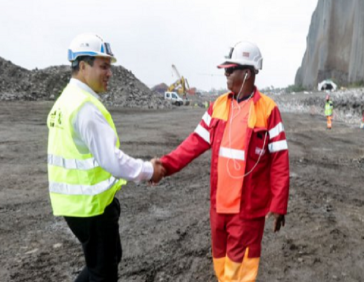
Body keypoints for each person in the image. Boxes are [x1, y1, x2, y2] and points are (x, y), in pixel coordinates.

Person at [159, 41, 289, 282]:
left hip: (248, 212)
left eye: (230, 70)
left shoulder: (268, 111)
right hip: (219, 207)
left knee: (240, 272)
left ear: (247, 72)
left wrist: (279, 205)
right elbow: (194, 142)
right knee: (221, 265)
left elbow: (280, 161)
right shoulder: (218, 106)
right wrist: (165, 166)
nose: (225, 74)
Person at [46, 33, 164, 282]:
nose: (109, 73)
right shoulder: (85, 107)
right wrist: (148, 170)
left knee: (102, 262)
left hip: (76, 205)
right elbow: (111, 160)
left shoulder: (66, 99)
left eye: (109, 66)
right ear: (82, 66)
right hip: (91, 208)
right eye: (103, 66)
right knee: (103, 271)